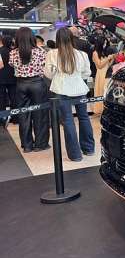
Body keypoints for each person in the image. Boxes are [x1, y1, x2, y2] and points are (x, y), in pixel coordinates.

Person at [44, 27, 94, 161]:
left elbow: (48, 74)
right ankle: (89, 149)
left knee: (67, 120)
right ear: (72, 38)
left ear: (57, 39)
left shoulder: (52, 54)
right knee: (84, 117)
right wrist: (76, 77)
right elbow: (87, 73)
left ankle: (75, 155)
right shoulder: (82, 54)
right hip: (80, 89)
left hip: (61, 89)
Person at [8, 27, 50, 152]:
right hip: (37, 84)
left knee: (23, 115)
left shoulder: (13, 52)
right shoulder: (40, 51)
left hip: (21, 85)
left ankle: (27, 145)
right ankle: (40, 144)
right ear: (32, 37)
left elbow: (12, 65)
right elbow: (44, 67)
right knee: (40, 114)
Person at [92, 36, 114, 115]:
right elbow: (99, 65)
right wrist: (108, 58)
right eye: (103, 43)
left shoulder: (104, 52)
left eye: (106, 43)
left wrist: (112, 58)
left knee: (106, 92)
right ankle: (101, 109)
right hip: (101, 74)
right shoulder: (95, 53)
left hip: (108, 73)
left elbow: (108, 65)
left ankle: (106, 109)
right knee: (101, 92)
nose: (105, 45)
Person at [0, 35, 16, 127]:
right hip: (13, 78)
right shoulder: (13, 52)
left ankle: (3, 118)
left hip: (1, 78)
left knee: (1, 99)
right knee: (14, 98)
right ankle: (15, 118)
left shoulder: (0, 51)